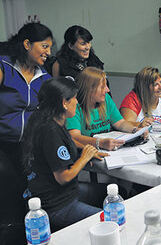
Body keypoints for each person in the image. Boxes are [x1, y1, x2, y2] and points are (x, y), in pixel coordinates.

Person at [22, 77, 105, 231]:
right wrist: (84, 158)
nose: (77, 103)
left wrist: (87, 152)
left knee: (110, 192)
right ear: (64, 103)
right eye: (74, 99)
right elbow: (63, 177)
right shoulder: (50, 131)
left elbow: (67, 146)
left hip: (66, 193)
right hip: (57, 205)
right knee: (109, 219)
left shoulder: (50, 121)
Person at [0, 22, 53, 243]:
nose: (49, 53)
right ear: (27, 44)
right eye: (44, 46)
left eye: (50, 47)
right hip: (4, 144)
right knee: (10, 196)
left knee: (30, 197)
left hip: (29, 147)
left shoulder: (44, 77)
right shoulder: (5, 68)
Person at [66, 67, 148, 151]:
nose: (107, 90)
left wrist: (135, 130)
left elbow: (120, 123)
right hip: (87, 152)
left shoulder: (106, 99)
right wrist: (100, 143)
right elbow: (74, 137)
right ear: (90, 89)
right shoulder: (74, 106)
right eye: (102, 87)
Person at [120, 66, 161, 131]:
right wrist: (139, 125)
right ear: (145, 88)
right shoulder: (132, 100)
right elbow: (123, 126)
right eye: (155, 84)